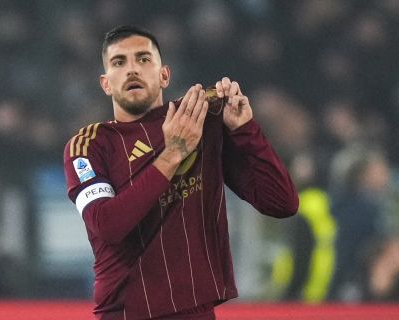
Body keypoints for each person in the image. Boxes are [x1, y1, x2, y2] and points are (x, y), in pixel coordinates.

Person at [63, 25, 298, 320]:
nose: (132, 70)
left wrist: (244, 129)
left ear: (164, 75)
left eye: (143, 59)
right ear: (106, 83)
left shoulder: (200, 121)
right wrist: (173, 154)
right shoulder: (88, 146)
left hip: (197, 311)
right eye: (119, 63)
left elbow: (282, 202)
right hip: (128, 314)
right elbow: (107, 225)